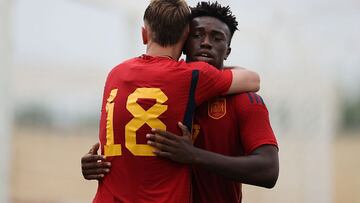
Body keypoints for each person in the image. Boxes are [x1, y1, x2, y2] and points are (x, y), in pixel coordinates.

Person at [91, 0, 260, 202]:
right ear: (186, 37)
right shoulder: (192, 76)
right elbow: (253, 79)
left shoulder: (115, 74)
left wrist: (90, 163)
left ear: (144, 34)